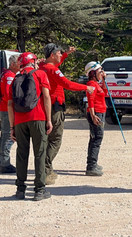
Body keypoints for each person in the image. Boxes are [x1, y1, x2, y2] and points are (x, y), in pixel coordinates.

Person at [39, 43, 94, 185]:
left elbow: (55, 65)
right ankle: (44, 170)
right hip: (55, 108)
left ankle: (47, 169)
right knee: (55, 140)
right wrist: (86, 87)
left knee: (48, 140)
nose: (60, 55)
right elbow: (67, 84)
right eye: (58, 53)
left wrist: (66, 54)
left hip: (46, 108)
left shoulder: (43, 67)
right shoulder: (52, 70)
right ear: (52, 55)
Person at [8, 52, 53, 201]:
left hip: (20, 120)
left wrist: (12, 127)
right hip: (38, 117)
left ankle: (20, 189)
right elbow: (46, 96)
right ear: (32, 62)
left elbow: (10, 104)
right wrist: (48, 119)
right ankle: (39, 190)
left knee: (22, 154)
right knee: (39, 152)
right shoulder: (40, 74)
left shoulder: (15, 78)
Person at [0, 54, 20, 173]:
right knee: (7, 136)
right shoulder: (10, 76)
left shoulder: (7, 74)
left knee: (3, 136)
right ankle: (4, 163)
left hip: (4, 108)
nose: (21, 65)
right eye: (19, 63)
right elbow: (7, 94)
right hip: (7, 109)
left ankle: (1, 162)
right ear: (13, 64)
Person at [84, 61, 108, 176]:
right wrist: (93, 115)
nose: (102, 73)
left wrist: (103, 80)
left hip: (100, 112)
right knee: (97, 138)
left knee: (95, 137)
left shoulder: (97, 84)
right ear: (93, 72)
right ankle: (91, 166)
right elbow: (90, 101)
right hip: (96, 113)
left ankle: (93, 162)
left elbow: (105, 92)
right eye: (99, 71)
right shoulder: (92, 85)